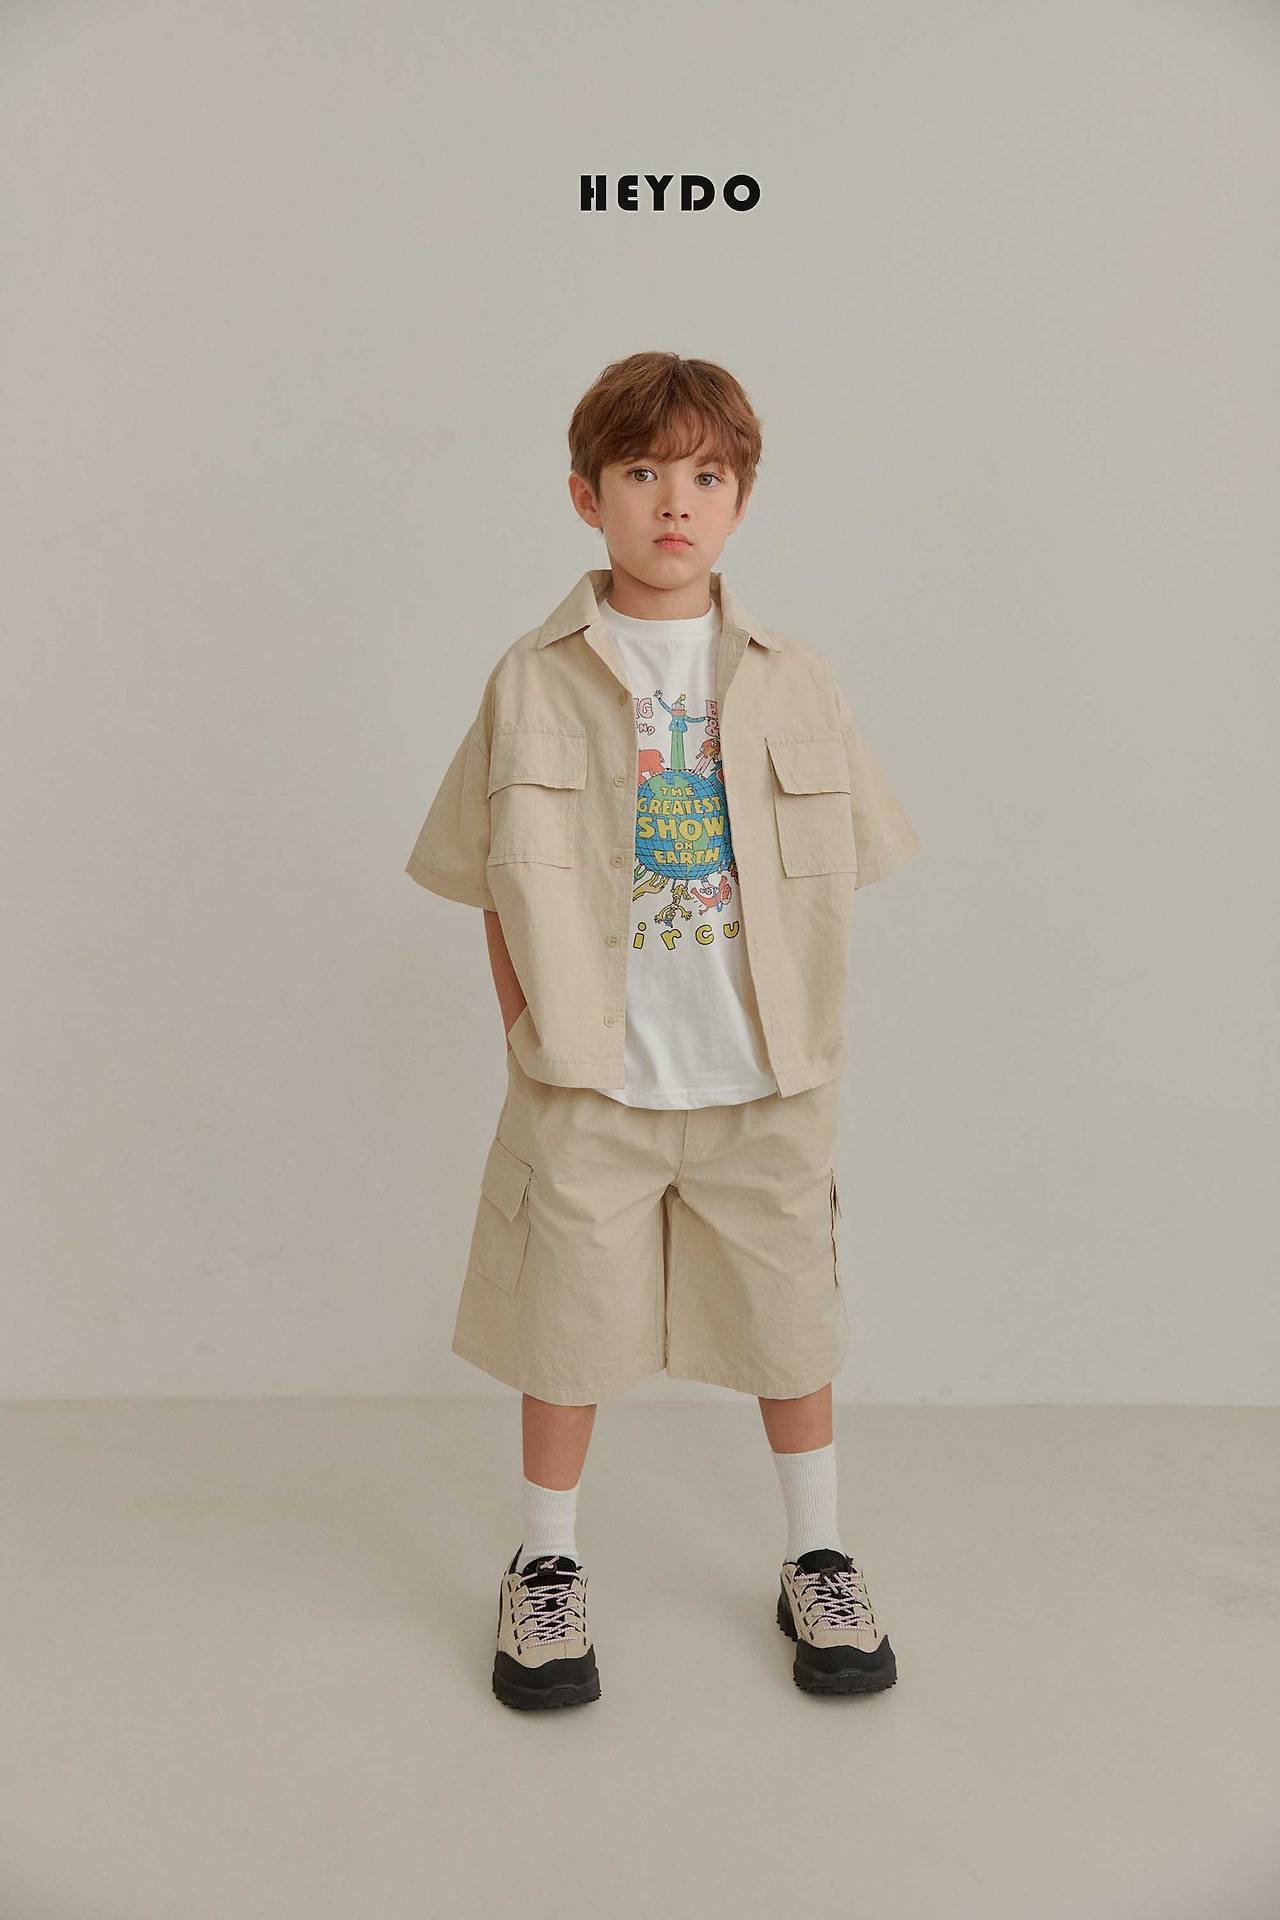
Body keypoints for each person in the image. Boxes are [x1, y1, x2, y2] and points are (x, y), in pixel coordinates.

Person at [405, 350, 921, 1709]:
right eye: (641, 472)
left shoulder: (797, 680)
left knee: (790, 1326)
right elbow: (488, 880)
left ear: (741, 499)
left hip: (764, 1081)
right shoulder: (530, 682)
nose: (673, 501)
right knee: (562, 1329)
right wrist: (533, 1036)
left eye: (705, 474)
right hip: (592, 1082)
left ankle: (818, 1553)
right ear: (588, 496)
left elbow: (847, 868)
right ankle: (547, 1565)